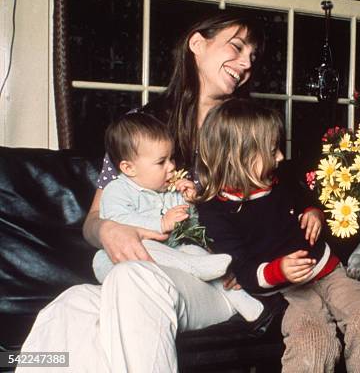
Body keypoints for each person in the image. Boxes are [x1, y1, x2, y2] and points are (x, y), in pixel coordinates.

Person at [18, 12, 265, 373]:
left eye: (253, 58)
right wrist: (106, 229)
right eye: (237, 47)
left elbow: (271, 208)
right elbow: (93, 221)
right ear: (197, 44)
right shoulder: (143, 126)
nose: (246, 64)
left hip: (218, 282)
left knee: (131, 277)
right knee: (70, 306)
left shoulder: (247, 130)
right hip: (150, 270)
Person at [196, 99, 360, 373]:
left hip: (329, 270)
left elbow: (305, 197)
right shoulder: (214, 210)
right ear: (239, 157)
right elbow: (242, 269)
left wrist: (313, 211)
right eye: (271, 150)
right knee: (312, 342)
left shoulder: (284, 177)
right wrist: (279, 271)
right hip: (288, 292)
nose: (280, 156)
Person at [91, 112, 263, 321]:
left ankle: (244, 303)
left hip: (172, 255)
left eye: (171, 158)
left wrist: (189, 202)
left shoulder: (168, 191)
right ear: (129, 168)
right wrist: (160, 223)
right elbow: (118, 220)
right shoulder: (116, 190)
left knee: (193, 250)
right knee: (140, 250)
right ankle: (197, 267)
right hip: (126, 259)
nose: (172, 167)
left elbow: (188, 226)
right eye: (161, 162)